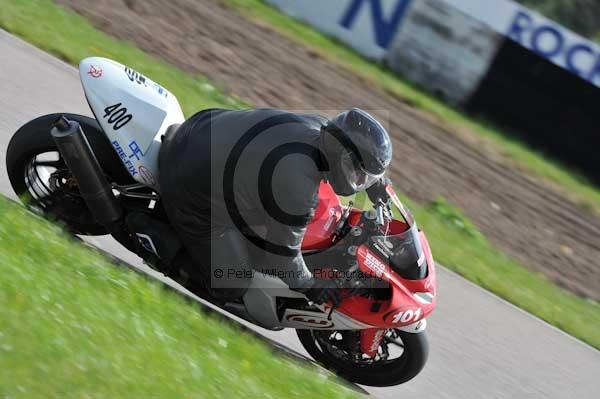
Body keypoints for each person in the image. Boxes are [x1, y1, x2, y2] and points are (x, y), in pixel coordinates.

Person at [158, 108, 392, 304]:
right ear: (340, 154)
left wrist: (375, 183)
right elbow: (283, 256)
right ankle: (162, 247)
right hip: (188, 186)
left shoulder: (321, 128)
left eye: (366, 178)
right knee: (232, 281)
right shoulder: (297, 184)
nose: (360, 182)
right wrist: (310, 286)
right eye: (359, 174)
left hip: (199, 127)